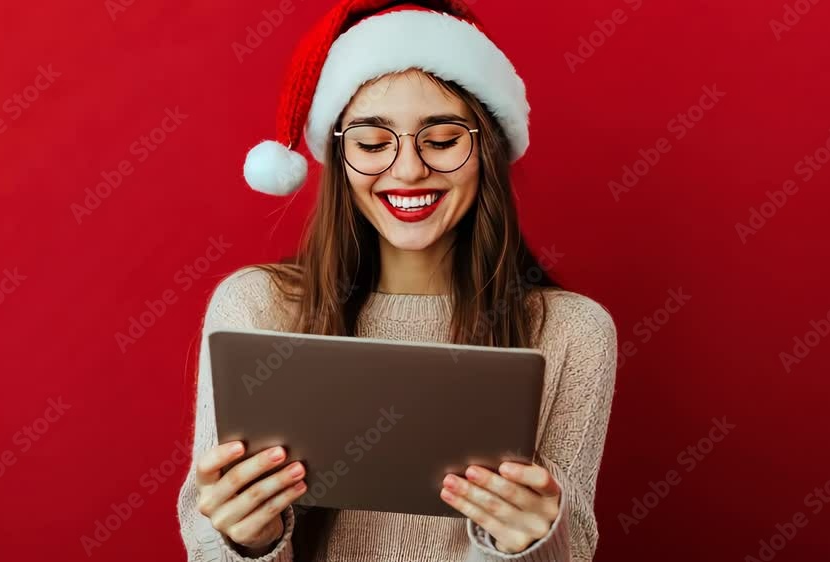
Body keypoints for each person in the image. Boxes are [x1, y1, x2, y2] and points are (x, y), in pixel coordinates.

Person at [176, 1, 617, 560]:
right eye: (371, 142)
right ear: (340, 157)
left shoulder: (573, 333)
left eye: (441, 139)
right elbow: (208, 544)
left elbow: (573, 548)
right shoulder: (258, 307)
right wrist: (247, 541)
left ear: (486, 150)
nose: (408, 170)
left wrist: (530, 545)